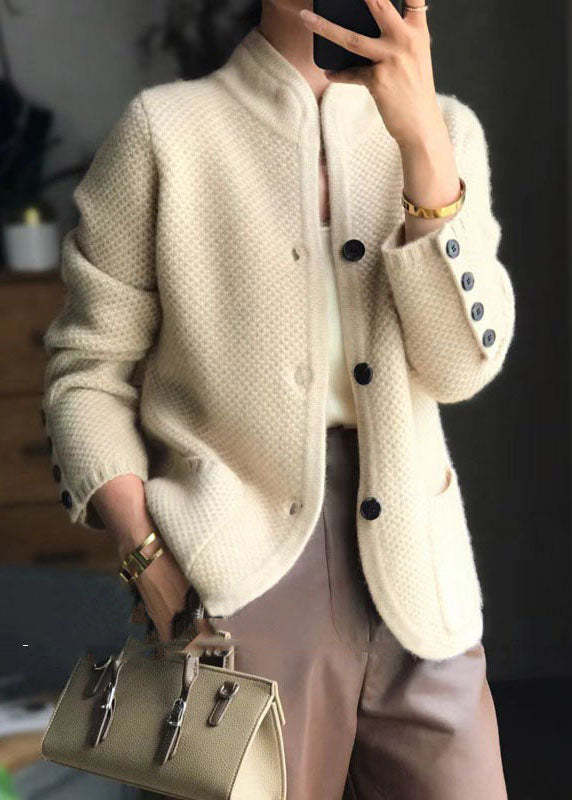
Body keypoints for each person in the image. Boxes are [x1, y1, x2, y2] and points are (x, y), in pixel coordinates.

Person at [42, 1, 515, 797]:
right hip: (235, 582)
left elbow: (461, 368)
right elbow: (86, 372)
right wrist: (150, 563)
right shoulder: (167, 132)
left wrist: (423, 147)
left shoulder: (448, 131)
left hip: (420, 578)